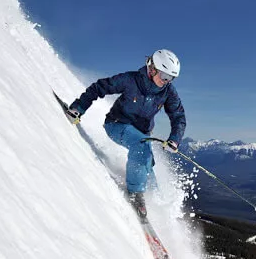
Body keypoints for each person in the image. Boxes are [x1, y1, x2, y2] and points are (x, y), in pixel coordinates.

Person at [66, 49, 186, 219]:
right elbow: (100, 87)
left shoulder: (168, 92)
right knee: (141, 146)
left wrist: (175, 139)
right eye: (164, 75)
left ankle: (157, 205)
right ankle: (135, 194)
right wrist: (79, 108)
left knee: (147, 165)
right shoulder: (131, 80)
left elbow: (178, 116)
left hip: (142, 133)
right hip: (116, 124)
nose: (166, 81)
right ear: (152, 69)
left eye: (171, 78)